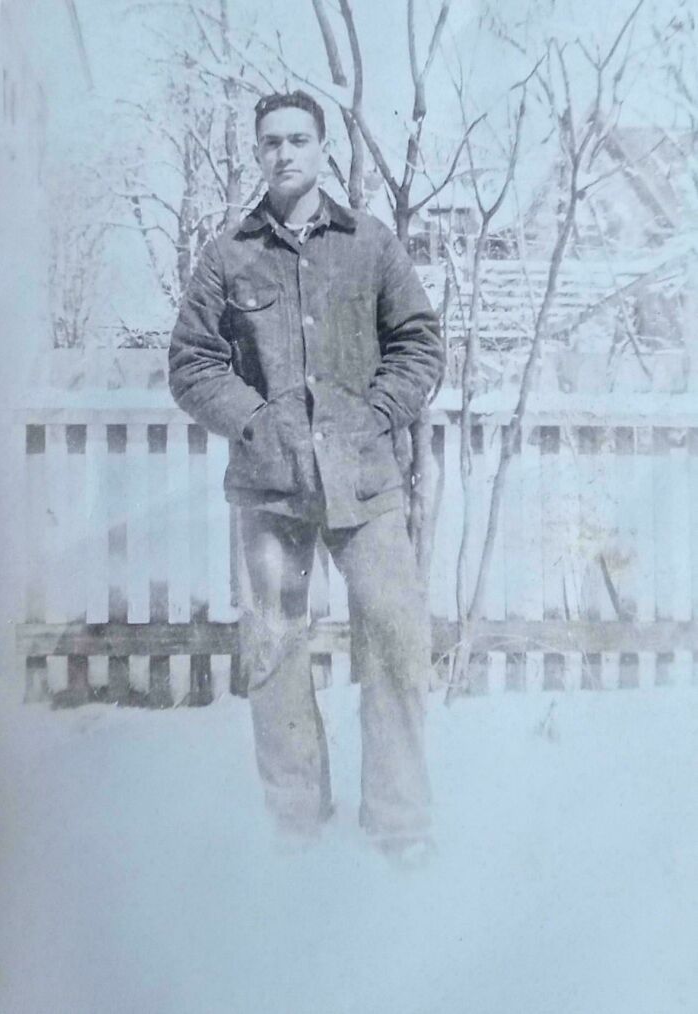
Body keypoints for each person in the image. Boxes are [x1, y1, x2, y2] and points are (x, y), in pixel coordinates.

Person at [168, 90, 444, 865]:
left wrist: (376, 413)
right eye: (269, 143)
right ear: (256, 155)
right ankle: (297, 824)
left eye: (298, 139)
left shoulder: (372, 246)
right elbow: (191, 362)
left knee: (395, 633)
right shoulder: (227, 256)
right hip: (269, 488)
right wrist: (255, 422)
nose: (284, 153)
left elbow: (420, 343)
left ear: (323, 149)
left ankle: (400, 825)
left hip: (366, 482)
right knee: (274, 647)